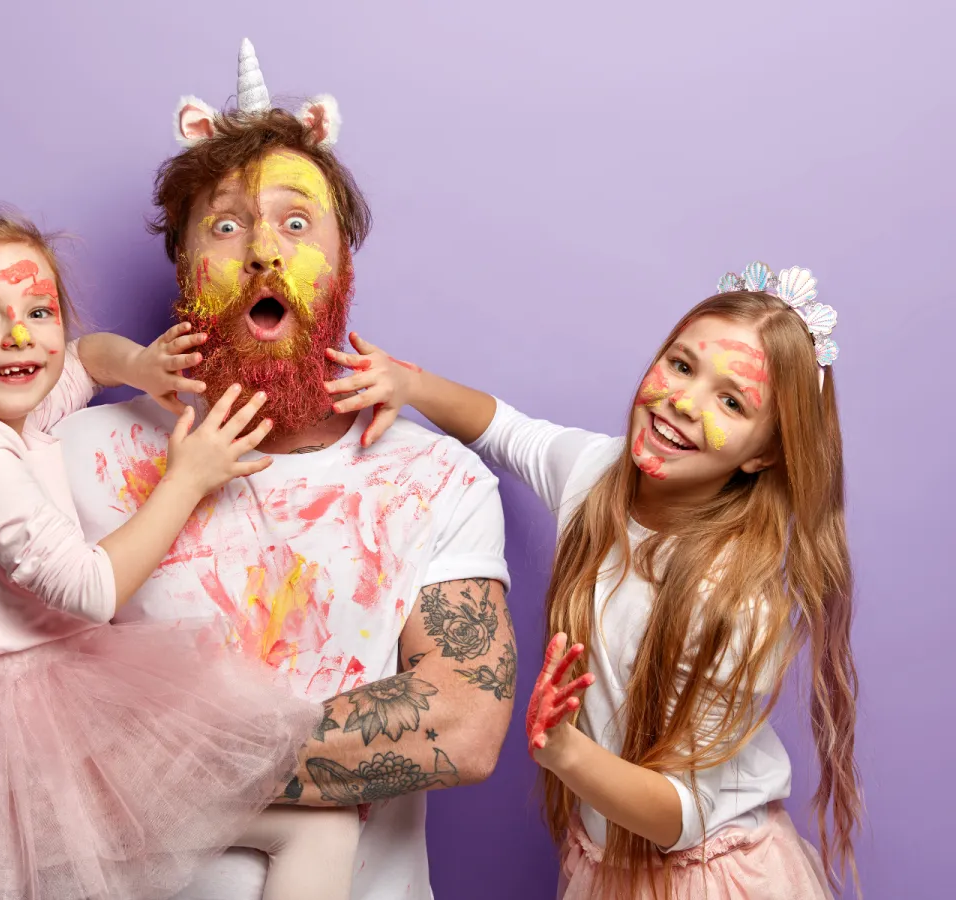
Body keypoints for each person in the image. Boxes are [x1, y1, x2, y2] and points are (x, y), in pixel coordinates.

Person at [53, 40, 514, 899]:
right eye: (226, 227)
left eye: (297, 225)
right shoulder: (79, 458)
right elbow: (12, 725)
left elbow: (462, 722)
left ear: (342, 267)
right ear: (186, 271)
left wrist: (165, 761)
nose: (264, 251)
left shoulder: (431, 478)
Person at [0, 189, 363, 900]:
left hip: (39, 710)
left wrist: (137, 365)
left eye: (39, 313)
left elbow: (85, 359)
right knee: (315, 827)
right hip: (26, 736)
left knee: (312, 827)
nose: (22, 339)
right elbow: (92, 592)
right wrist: (186, 480)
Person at [329, 262, 858, 898]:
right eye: (682, 366)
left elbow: (683, 817)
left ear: (762, 454)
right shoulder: (595, 474)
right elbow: (504, 428)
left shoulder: (735, 600)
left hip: (707, 876)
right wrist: (408, 383)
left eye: (731, 401)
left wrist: (564, 753)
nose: (683, 402)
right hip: (605, 862)